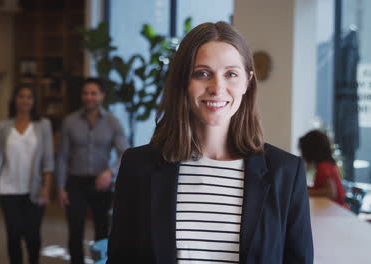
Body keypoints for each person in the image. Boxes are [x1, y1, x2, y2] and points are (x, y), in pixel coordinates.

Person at [107, 22, 313, 264]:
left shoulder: (285, 172)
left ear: (247, 82)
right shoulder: (138, 166)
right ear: (183, 81)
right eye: (202, 73)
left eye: (231, 74)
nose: (217, 88)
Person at [56, 77, 128, 264]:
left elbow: (125, 153)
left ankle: (100, 262)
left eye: (93, 93)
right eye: (85, 93)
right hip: (75, 182)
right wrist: (60, 187)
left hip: (101, 183)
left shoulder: (113, 122)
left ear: (102, 96)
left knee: (102, 231)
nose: (89, 97)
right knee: (75, 230)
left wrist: (110, 173)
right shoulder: (69, 121)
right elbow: (62, 156)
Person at [0, 83, 54, 264]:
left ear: (34, 101)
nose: (25, 100)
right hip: (7, 188)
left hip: (35, 188)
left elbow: (48, 160)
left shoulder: (43, 125)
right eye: (21, 96)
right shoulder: (3, 126)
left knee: (32, 235)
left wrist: (46, 187)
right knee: (13, 234)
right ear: (15, 100)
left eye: (29, 97)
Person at [299, 129, 347, 207]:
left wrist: (303, 192)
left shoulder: (324, 167)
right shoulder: (328, 165)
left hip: (335, 212)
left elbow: (330, 193)